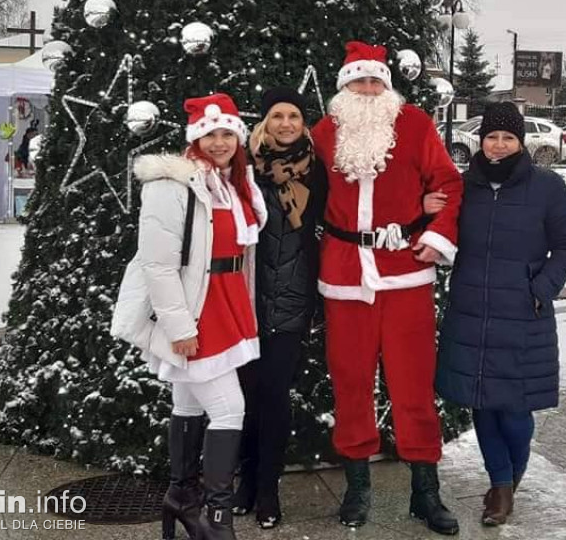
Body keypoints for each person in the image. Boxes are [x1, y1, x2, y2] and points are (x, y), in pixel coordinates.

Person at [312, 41, 464, 535]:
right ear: (344, 88)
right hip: (344, 276)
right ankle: (358, 487)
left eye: (377, 81)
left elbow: (451, 184)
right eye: (360, 81)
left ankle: (426, 490)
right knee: (351, 382)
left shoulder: (416, 125)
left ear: (388, 86)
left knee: (413, 385)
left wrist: (435, 233)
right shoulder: (323, 134)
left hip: (405, 276)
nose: (370, 89)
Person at [111, 93, 268, 540]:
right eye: (210, 134)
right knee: (229, 409)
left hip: (227, 301)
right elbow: (157, 265)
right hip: (197, 309)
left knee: (188, 403)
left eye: (228, 134)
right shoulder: (172, 182)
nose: (220, 142)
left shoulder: (232, 183)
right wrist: (179, 327)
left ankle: (181, 496)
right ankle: (217, 515)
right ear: (195, 138)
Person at [435, 102, 566, 527]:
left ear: (522, 142)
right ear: (480, 141)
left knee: (516, 410)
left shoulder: (546, 187)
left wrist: (539, 289)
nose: (498, 146)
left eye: (508, 138)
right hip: (472, 312)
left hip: (522, 314)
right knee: (482, 404)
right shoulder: (466, 186)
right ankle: (500, 486)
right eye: (492, 137)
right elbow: (442, 229)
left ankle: (509, 479)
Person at [231, 87, 328, 529]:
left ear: (304, 123)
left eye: (293, 115)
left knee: (274, 395)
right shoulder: (242, 169)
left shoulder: (317, 172)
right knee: (245, 397)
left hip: (291, 300)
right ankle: (245, 480)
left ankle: (268, 488)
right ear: (263, 123)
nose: (285, 123)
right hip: (244, 300)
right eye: (276, 115)